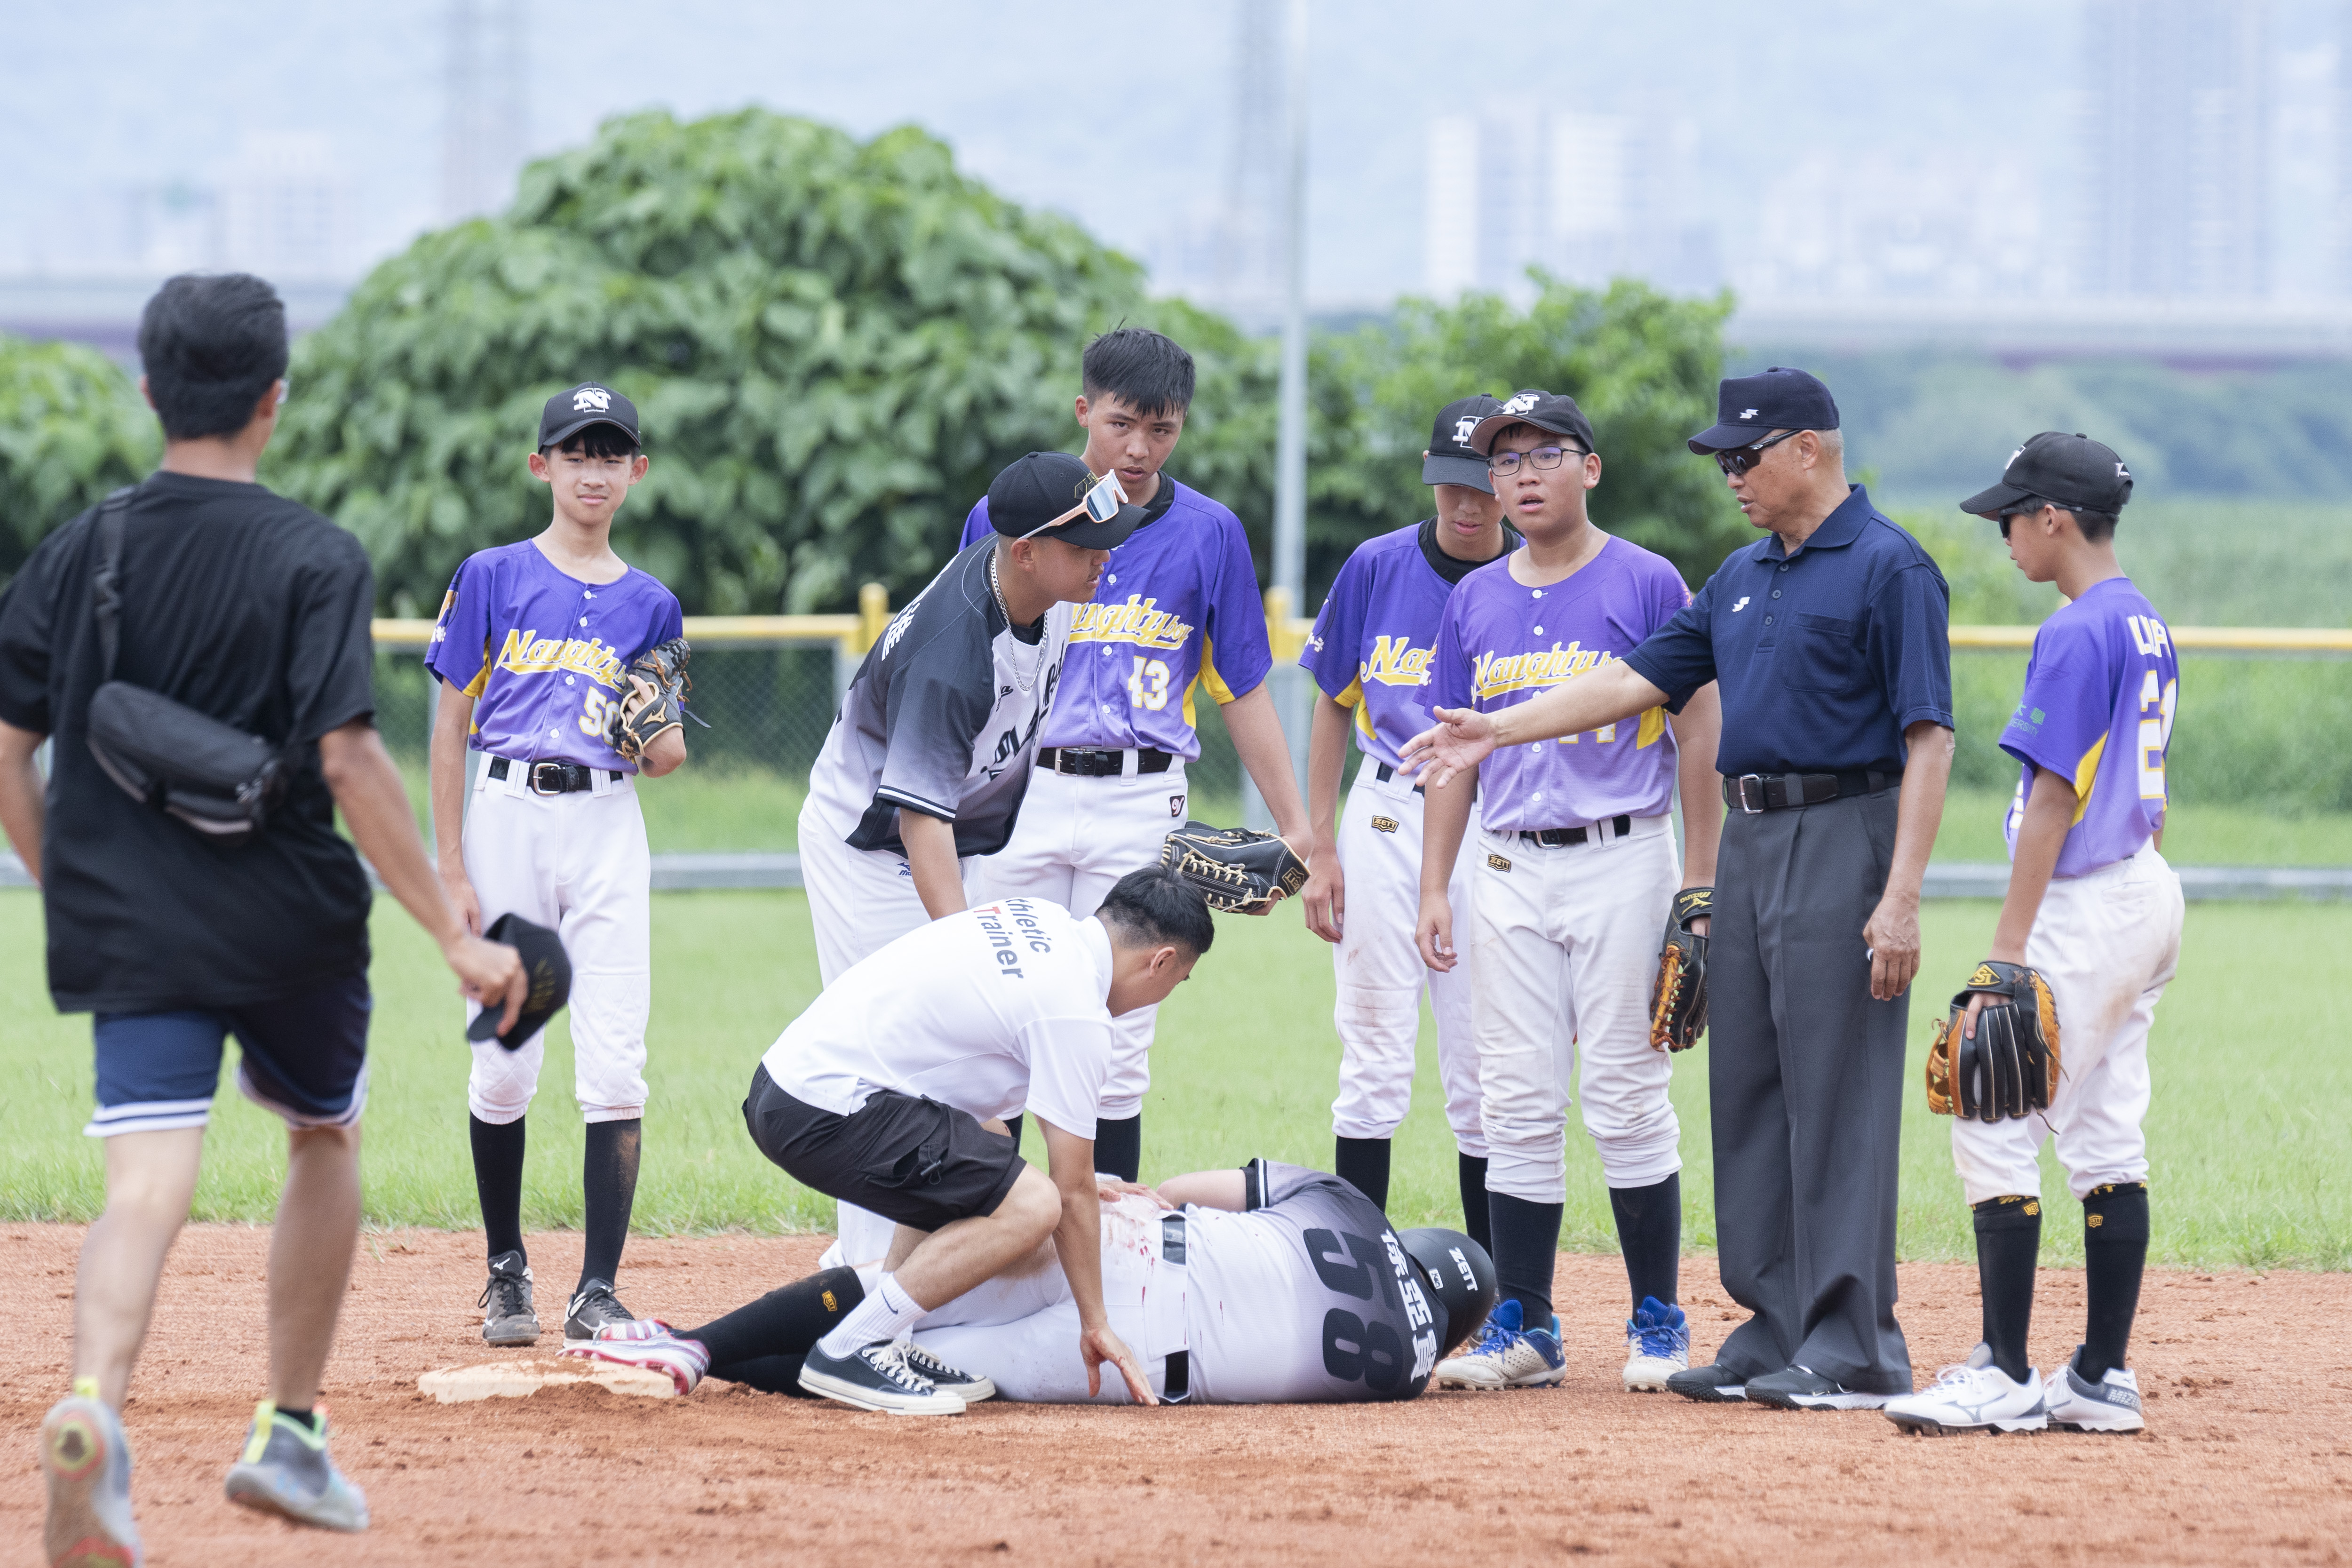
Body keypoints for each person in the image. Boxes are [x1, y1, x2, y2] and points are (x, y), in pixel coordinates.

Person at [0, 273, 526, 1563]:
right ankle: (290, 1432)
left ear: (148, 390)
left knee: (146, 1177)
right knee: (322, 1133)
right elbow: (350, 759)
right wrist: (454, 932)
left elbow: (9, 749)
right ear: (273, 401)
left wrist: (72, 883)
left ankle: (95, 1411)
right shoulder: (314, 554)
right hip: (285, 916)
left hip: (128, 916)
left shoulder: (82, 548)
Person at [1403, 366, 1955, 1412]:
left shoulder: (1891, 567)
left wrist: (1903, 892)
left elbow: (1931, 736)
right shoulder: (1744, 574)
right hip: (1749, 837)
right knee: (1748, 1087)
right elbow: (1635, 679)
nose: (1731, 476)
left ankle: (1851, 1339)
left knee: (1833, 1095)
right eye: (1723, 460)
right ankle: (1771, 1321)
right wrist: (1497, 725)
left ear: (1808, 448)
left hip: (1843, 828)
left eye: (1744, 456)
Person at [1402, 391, 1722, 1395]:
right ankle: (1528, 1322)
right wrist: (1433, 886)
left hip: (1623, 855)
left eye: (1545, 453)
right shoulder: (1475, 598)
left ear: (1590, 468)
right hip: (1502, 863)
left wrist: (1700, 876)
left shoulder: (1647, 579)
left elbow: (1698, 725)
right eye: (1505, 462)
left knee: (1626, 1092)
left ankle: (1656, 1317)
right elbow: (1454, 752)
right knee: (1514, 1097)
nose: (1523, 474)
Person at [959, 327, 1310, 1182]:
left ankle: (1106, 1252)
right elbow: (966, 657)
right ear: (1084, 412)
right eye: (1122, 424)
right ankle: (983, 1244)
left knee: (1117, 1041)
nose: (1141, 448)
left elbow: (1244, 687)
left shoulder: (1209, 531)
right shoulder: (1016, 509)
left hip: (1139, 799)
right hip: (1021, 789)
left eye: (1163, 429)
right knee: (995, 1021)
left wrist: (1301, 827)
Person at [1883, 433, 2180, 1438]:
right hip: (2143, 889)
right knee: (2101, 1130)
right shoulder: (2140, 618)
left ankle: (2003, 1369)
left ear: (2054, 516)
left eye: (2012, 514)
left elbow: (2053, 795)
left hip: (2086, 897)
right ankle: (2097, 1373)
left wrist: (2007, 948)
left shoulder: (2075, 630)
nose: (2005, 532)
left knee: (1990, 1106)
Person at [736, 864, 1212, 1415]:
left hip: (786, 1086)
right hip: (819, 1111)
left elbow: (1024, 1152)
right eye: (1175, 984)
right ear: (1161, 962)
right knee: (1037, 1206)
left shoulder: (1040, 920)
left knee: (988, 1146)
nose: (1161, 998)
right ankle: (851, 1344)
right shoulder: (1077, 1011)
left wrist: (1078, 1181)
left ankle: (890, 1338)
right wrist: (1096, 1324)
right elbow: (1070, 1192)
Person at [425, 382, 689, 1350]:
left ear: (636, 471)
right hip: (505, 822)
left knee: (616, 1062)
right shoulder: (491, 575)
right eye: (575, 451)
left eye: (610, 452)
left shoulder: (651, 602)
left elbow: (664, 754)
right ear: (542, 466)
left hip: (606, 825)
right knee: (505, 1060)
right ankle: (506, 1271)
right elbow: (450, 720)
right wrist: (452, 863)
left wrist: (657, 736)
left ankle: (599, 1287)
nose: (592, 468)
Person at [567, 1161, 1495, 1408]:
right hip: (1143, 1361)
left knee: (898, 1283)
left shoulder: (1351, 1208)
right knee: (912, 1361)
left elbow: (1178, 1188)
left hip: (1136, 1245)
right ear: (1449, 1333)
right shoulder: (1410, 1371)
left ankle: (688, 1343)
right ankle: (710, 1367)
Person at [1296, 393, 1516, 1233]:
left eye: (1484, 483)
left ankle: (1502, 1290)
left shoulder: (1532, 575)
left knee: (1483, 1068)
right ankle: (1363, 1268)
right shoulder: (1379, 565)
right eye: (1450, 483)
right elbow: (1329, 703)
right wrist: (1320, 846)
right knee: (1375, 1054)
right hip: (1386, 810)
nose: (1467, 504)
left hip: (1495, 824)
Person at [799, 448, 1141, 985]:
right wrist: (965, 954)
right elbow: (920, 821)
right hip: (871, 844)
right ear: (1026, 553)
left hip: (954, 835)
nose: (1103, 558)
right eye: (1084, 547)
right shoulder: (951, 661)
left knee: (965, 1045)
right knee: (891, 1031)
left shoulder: (1043, 585)